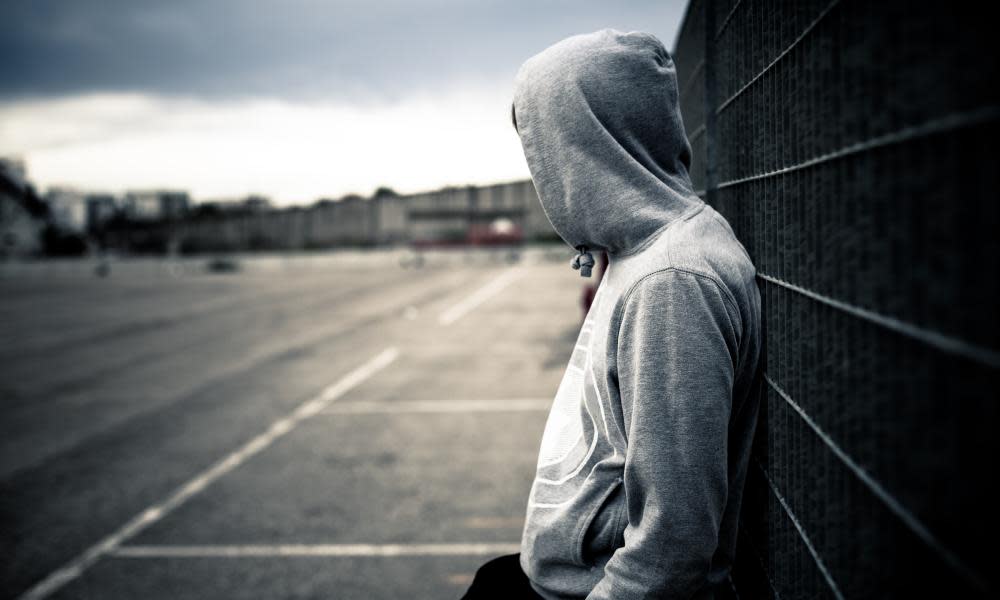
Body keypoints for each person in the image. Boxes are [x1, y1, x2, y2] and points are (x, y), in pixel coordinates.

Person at [462, 29, 762, 599]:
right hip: (563, 578)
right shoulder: (642, 254)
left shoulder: (673, 281)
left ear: (588, 145)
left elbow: (671, 550)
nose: (540, 174)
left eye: (544, 149)